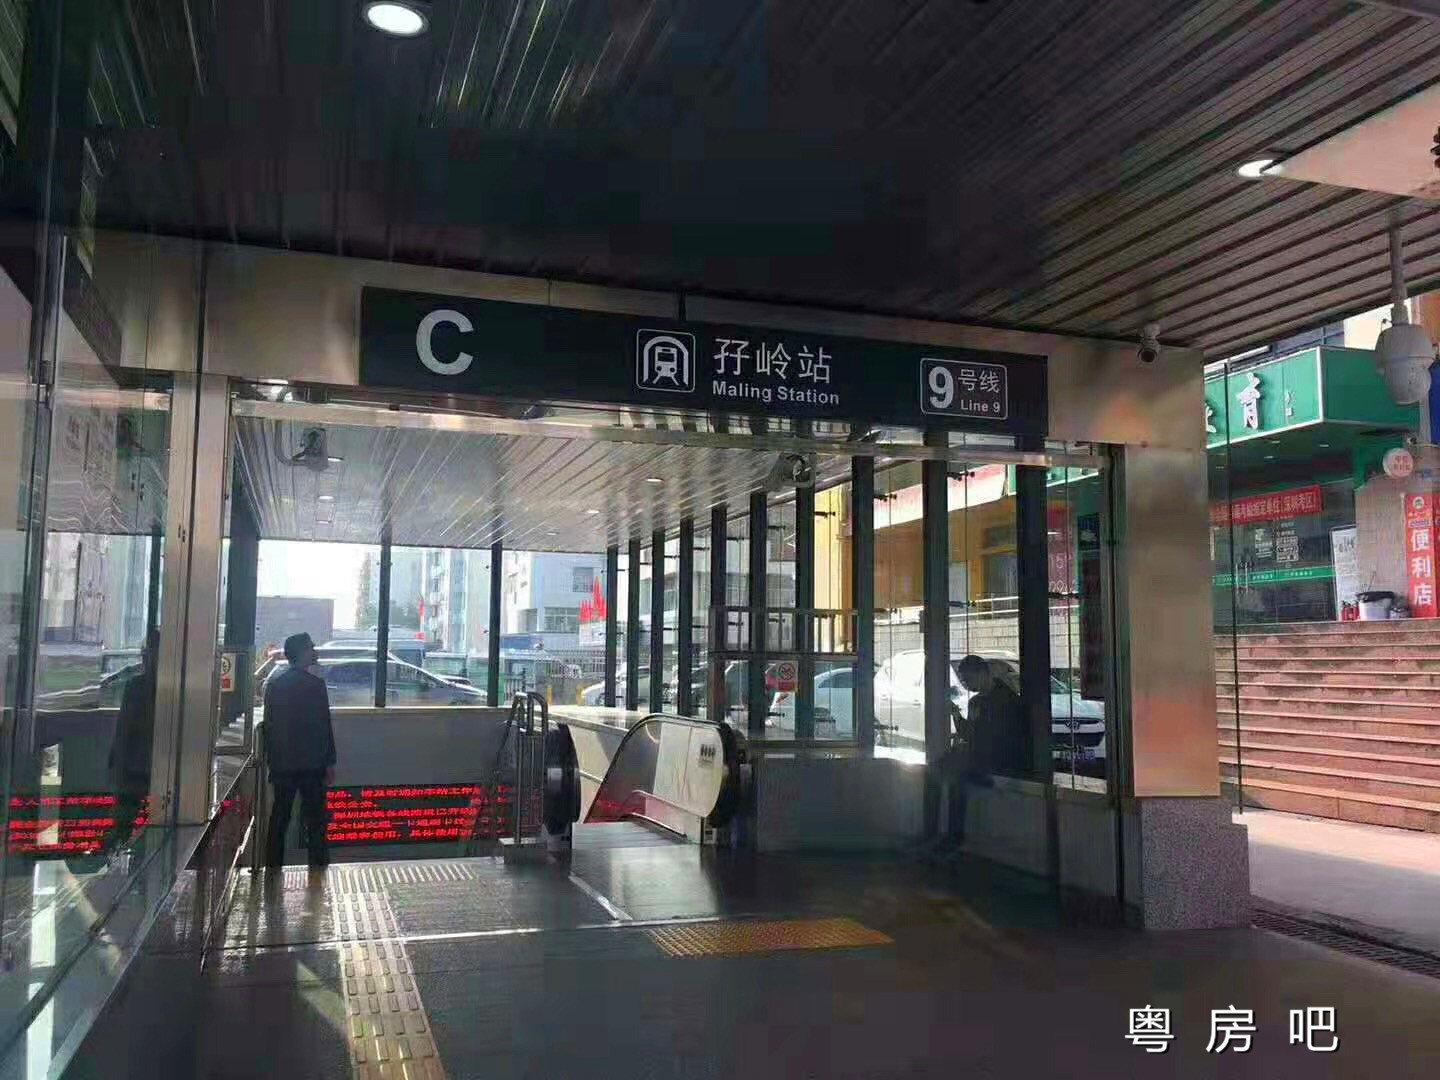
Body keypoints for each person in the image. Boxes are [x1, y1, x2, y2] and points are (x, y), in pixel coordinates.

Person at [931, 654, 1029, 855]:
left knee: (957, 776)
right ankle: (939, 832)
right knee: (938, 768)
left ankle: (953, 836)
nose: (966, 685)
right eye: (964, 681)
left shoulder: (1006, 700)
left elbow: (1000, 738)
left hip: (1000, 758)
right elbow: (970, 734)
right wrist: (956, 715)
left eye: (968, 680)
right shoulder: (976, 702)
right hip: (981, 755)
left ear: (983, 674)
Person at [263, 632, 335, 869]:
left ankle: (272, 869)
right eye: (311, 647)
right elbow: (324, 727)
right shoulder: (316, 686)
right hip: (312, 766)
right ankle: (318, 869)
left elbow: (270, 728)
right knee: (316, 821)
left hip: (283, 766)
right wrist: (329, 762)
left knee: (280, 818)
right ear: (302, 653)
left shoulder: (275, 685)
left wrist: (272, 762)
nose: (315, 651)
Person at [107, 628, 160, 851]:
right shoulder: (170, 689)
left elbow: (123, 732)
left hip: (134, 773)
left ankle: (120, 857)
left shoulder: (137, 687)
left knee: (124, 828)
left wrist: (117, 769)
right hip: (148, 774)